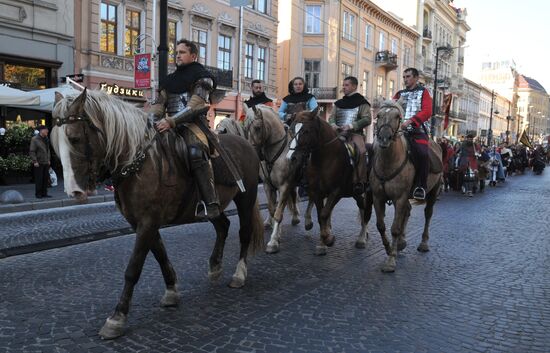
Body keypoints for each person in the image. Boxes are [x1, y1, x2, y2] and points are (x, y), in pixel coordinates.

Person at [151, 39, 220, 219]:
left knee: (196, 152)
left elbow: (196, 105)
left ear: (193, 56)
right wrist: (152, 120)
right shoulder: (170, 79)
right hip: (169, 124)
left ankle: (211, 202)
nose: (177, 55)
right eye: (176, 52)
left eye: (182, 52)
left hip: (194, 125)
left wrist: (171, 122)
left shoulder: (203, 77)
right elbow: (159, 104)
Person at [392, 67, 433, 200]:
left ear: (415, 78)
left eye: (408, 76)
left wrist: (410, 121)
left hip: (417, 131)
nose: (405, 79)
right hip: (398, 131)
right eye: (404, 77)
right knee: (379, 147)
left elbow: (427, 111)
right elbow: (392, 108)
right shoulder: (399, 94)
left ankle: (421, 186)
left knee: (422, 153)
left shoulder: (424, 92)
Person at [328, 76, 371, 194]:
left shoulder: (362, 102)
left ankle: (360, 182)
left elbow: (367, 119)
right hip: (338, 133)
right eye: (343, 85)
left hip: (354, 134)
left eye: (346, 85)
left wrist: (351, 126)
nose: (344, 87)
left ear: (354, 86)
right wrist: (333, 125)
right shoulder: (338, 103)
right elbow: (331, 118)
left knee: (361, 152)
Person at [29, 125, 51, 198]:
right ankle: (38, 194)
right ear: (41, 131)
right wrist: (35, 161)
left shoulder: (46, 138)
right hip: (38, 162)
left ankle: (44, 193)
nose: (47, 131)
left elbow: (48, 150)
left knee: (45, 178)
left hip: (46, 162)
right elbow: (32, 151)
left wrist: (48, 159)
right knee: (39, 179)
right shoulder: (35, 139)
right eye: (46, 130)